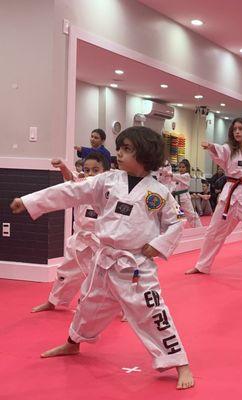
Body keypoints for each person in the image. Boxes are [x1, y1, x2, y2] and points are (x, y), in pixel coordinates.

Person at [11, 126, 194, 389]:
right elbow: (71, 191)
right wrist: (31, 202)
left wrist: (159, 244)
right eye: (119, 148)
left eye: (127, 149)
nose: (119, 153)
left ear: (145, 154)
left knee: (153, 312)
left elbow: (176, 223)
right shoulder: (108, 180)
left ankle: (180, 362)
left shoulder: (159, 192)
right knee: (88, 304)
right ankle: (72, 343)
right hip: (104, 259)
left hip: (136, 266)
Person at [185, 118, 242, 275]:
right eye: (235, 129)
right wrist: (211, 146)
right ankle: (202, 265)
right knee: (213, 231)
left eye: (241, 128)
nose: (237, 132)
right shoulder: (229, 148)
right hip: (230, 196)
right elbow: (220, 150)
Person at [31, 153, 109, 313]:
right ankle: (53, 301)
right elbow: (70, 179)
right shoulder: (81, 184)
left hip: (101, 241)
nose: (90, 174)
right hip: (80, 239)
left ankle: (123, 310)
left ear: (105, 172)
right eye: (87, 170)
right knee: (66, 271)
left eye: (96, 170)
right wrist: (63, 167)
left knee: (109, 277)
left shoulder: (110, 188)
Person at [171, 159, 202, 228]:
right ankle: (180, 230)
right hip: (176, 198)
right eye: (180, 167)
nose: (181, 169)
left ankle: (199, 228)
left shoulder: (186, 176)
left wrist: (169, 174)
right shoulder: (178, 176)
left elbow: (176, 177)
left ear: (187, 168)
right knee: (179, 217)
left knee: (191, 215)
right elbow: (172, 185)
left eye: (183, 167)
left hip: (184, 198)